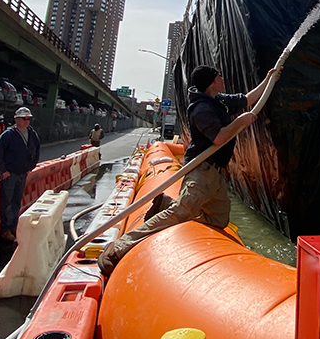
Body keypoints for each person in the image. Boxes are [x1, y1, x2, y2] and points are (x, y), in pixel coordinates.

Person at [98, 64, 275, 275]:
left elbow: (246, 100)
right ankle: (120, 247)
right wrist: (239, 122)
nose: (222, 78)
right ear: (211, 82)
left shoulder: (217, 100)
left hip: (217, 174)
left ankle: (166, 204)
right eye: (219, 76)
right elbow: (219, 137)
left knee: (219, 219)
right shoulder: (201, 109)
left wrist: (268, 79)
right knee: (182, 212)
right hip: (202, 170)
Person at [0, 106, 41, 242]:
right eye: (24, 119)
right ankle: (6, 230)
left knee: (16, 201)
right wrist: (3, 170)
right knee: (6, 202)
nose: (26, 121)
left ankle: (13, 226)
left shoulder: (31, 134)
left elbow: (36, 151)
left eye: (28, 119)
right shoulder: (8, 135)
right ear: (16, 119)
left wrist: (31, 167)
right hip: (10, 174)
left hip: (22, 173)